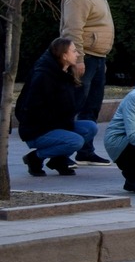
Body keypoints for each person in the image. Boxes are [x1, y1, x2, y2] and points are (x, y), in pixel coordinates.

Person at [15, 37, 96, 176]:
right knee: (75, 141)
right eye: (74, 51)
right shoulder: (44, 75)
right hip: (37, 129)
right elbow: (33, 109)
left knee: (90, 128)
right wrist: (60, 124)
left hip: (58, 124)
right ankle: (35, 157)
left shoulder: (66, 72)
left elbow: (71, 105)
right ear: (64, 55)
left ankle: (59, 160)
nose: (77, 54)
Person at [59, 0, 114, 140]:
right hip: (86, 59)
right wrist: (78, 59)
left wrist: (101, 58)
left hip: (97, 58)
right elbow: (72, 30)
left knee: (92, 107)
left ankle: (86, 151)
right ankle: (63, 152)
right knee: (76, 106)